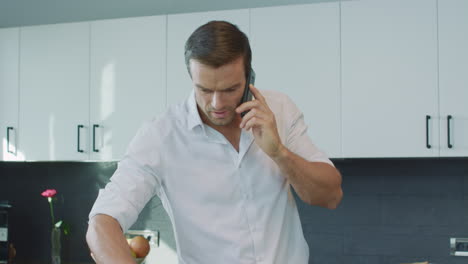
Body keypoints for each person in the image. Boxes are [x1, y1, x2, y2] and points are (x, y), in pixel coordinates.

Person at [86, 20, 343, 264]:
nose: (217, 104)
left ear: (249, 77)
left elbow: (330, 196)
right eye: (205, 90)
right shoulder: (160, 136)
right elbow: (102, 222)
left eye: (230, 89)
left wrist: (279, 153)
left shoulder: (280, 110)